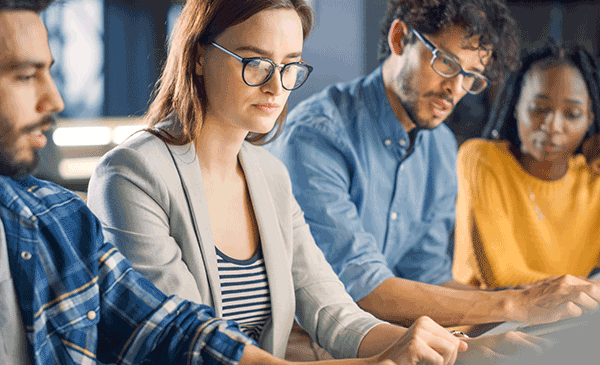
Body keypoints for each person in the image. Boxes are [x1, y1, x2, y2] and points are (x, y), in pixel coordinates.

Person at [86, 0, 548, 363]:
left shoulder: (268, 175)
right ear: (199, 56)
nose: (276, 87)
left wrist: (456, 353)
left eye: (290, 66)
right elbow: (195, 347)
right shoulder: (131, 174)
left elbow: (335, 312)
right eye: (255, 62)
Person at [266, 0, 600, 329]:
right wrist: (517, 305)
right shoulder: (318, 135)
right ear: (399, 39)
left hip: (387, 337)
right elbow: (362, 288)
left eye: (472, 76)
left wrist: (529, 311)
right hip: (309, 343)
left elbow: (428, 277)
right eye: (446, 63)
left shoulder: (439, 146)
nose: (455, 89)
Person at [453, 43, 600, 289]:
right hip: (486, 324)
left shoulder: (592, 178)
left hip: (568, 320)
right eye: (539, 109)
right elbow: (501, 277)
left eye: (572, 114)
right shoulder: (481, 158)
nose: (552, 126)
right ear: (517, 106)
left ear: (589, 119)